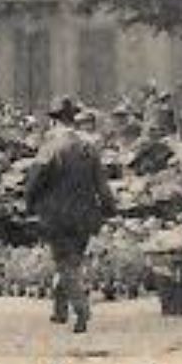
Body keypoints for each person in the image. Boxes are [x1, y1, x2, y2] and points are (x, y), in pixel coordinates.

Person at [25, 97, 116, 334]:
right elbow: (102, 184)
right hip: (86, 214)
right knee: (72, 261)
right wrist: (108, 208)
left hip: (57, 216)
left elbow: (35, 180)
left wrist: (29, 203)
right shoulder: (89, 146)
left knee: (64, 263)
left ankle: (81, 308)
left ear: (55, 121)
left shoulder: (51, 146)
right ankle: (59, 309)